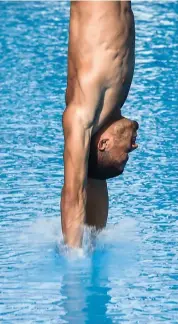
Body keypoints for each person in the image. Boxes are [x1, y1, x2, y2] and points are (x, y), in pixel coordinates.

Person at [61, 1, 139, 247]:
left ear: (104, 143)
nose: (134, 148)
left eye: (124, 155)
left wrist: (74, 259)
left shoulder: (83, 112)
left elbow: (74, 193)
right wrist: (94, 244)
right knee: (93, 173)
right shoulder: (109, 112)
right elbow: (93, 176)